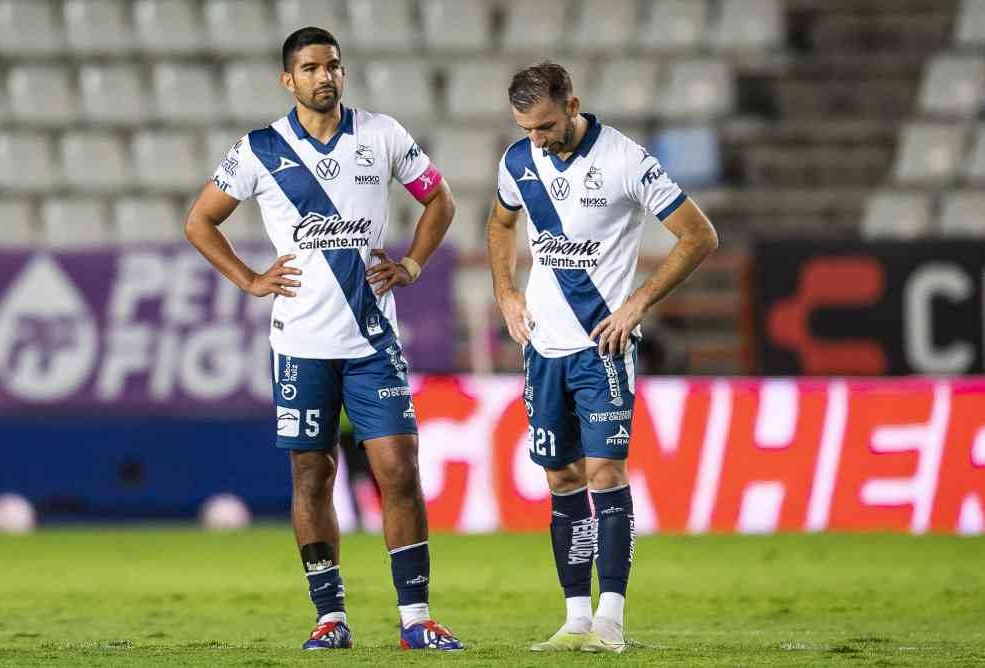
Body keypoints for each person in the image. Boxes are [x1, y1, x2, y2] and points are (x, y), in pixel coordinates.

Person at [184, 27, 462, 652]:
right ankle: (330, 616)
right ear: (289, 79)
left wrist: (413, 265)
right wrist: (250, 279)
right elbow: (200, 220)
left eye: (332, 65)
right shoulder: (259, 149)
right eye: (310, 68)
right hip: (301, 341)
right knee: (312, 474)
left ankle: (416, 619)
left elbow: (439, 200)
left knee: (399, 470)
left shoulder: (382, 134)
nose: (324, 76)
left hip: (371, 339)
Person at [486, 62, 718, 653]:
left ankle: (611, 617)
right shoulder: (519, 160)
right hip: (542, 349)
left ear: (573, 104)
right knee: (561, 479)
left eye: (545, 126)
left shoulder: (626, 160)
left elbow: (699, 235)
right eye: (526, 129)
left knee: (605, 473)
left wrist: (639, 300)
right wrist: (506, 293)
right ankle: (575, 619)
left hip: (602, 347)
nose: (536, 139)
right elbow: (500, 222)